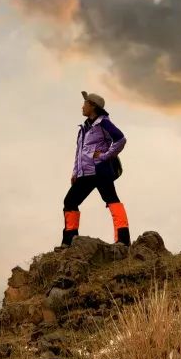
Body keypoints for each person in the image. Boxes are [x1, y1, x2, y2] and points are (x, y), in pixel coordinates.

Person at [61, 91, 131, 247]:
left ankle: (123, 240)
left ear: (92, 106)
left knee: (111, 200)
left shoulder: (103, 123)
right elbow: (79, 152)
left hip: (101, 171)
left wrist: (106, 156)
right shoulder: (83, 129)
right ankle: (69, 241)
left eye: (85, 103)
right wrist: (75, 172)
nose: (82, 106)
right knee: (70, 201)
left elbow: (120, 139)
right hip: (85, 173)